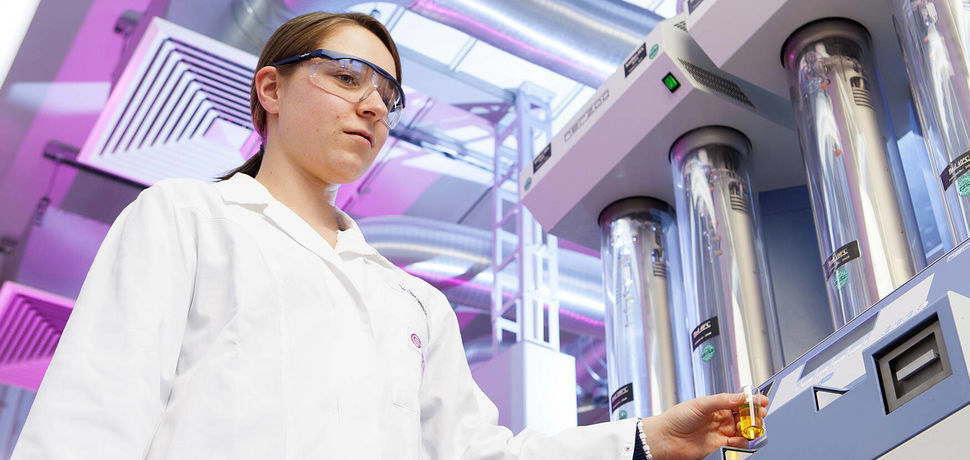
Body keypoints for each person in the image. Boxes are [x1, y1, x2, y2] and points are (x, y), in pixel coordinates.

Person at [11, 11, 767, 460]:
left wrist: (638, 440)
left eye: (387, 94)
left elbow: (478, 455)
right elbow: (91, 421)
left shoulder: (410, 303)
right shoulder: (187, 218)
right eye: (345, 77)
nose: (373, 106)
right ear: (270, 89)